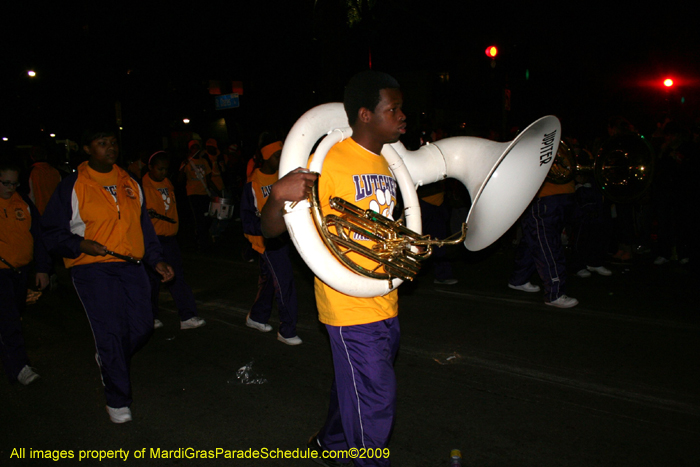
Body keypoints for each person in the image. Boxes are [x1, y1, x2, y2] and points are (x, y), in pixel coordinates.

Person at [261, 70, 406, 466]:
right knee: (376, 400)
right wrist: (277, 196)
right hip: (348, 305)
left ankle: (331, 440)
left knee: (357, 387)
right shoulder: (326, 160)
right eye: (392, 109)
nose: (402, 116)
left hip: (385, 298)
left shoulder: (390, 164)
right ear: (364, 114)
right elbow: (271, 229)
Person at [42, 127, 174, 423]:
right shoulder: (72, 185)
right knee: (111, 331)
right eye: (102, 143)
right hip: (92, 268)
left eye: (113, 142)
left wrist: (156, 260)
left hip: (133, 265)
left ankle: (109, 357)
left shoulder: (130, 181)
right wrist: (78, 244)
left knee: (142, 327)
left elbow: (144, 227)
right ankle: (117, 399)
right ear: (87, 149)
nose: (110, 148)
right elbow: (50, 231)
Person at [241, 138, 301, 346]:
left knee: (270, 279)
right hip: (268, 242)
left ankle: (257, 317)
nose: (281, 158)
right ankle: (287, 329)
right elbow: (247, 219)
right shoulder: (253, 183)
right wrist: (268, 229)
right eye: (277, 155)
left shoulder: (282, 175)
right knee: (284, 282)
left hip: (284, 237)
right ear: (266, 157)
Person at [142, 151, 205, 330]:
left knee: (176, 277)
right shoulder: (142, 187)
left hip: (170, 239)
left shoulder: (167, 183)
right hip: (153, 241)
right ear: (150, 167)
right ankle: (150, 317)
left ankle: (187, 316)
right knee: (151, 282)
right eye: (159, 169)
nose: (163, 172)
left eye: (165, 169)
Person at [0, 160, 50, 385]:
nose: (11, 187)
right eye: (6, 183)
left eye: (14, 183)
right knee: (10, 320)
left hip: (21, 271)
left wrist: (42, 268)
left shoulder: (24, 203)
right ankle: (19, 367)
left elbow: (38, 236)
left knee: (15, 314)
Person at [508, 172, 579, 308]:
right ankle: (554, 293)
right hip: (543, 196)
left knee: (534, 240)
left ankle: (519, 279)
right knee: (547, 244)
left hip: (560, 195)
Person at [179, 140, 218, 250]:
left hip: (204, 193)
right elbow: (180, 179)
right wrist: (183, 166)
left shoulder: (204, 161)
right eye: (193, 148)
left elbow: (208, 179)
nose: (195, 150)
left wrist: (217, 192)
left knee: (208, 217)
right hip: (193, 194)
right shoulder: (187, 162)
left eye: (197, 147)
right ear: (190, 150)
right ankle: (202, 242)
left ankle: (202, 237)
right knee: (199, 218)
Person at [27, 146, 62, 215]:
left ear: (32, 157)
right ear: (46, 156)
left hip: (38, 213)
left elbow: (30, 195)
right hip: (55, 212)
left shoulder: (30, 172)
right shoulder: (55, 172)